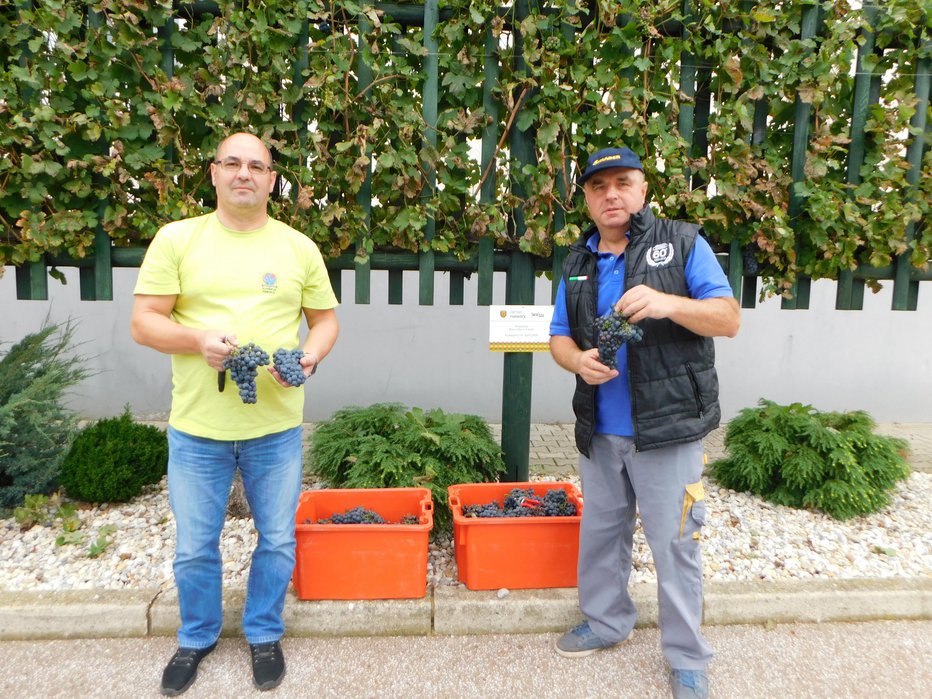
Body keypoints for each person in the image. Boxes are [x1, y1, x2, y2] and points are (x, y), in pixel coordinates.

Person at [130, 132, 339, 696]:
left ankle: (264, 632)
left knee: (276, 540)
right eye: (233, 163)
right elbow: (144, 321)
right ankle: (196, 637)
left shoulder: (298, 248)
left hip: (275, 429)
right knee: (196, 544)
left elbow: (324, 320)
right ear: (215, 173)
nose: (244, 173)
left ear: (272, 179)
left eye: (257, 166)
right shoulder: (177, 240)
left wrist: (311, 355)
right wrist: (197, 340)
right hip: (198, 429)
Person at [548, 146, 740, 699]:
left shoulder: (681, 242)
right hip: (599, 431)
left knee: (675, 542)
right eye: (598, 186)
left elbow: (728, 319)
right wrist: (576, 360)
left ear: (642, 190)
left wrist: (666, 302)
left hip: (668, 429)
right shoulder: (578, 262)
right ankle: (607, 622)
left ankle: (686, 658)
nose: (611, 194)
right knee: (602, 535)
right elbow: (559, 335)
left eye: (623, 183)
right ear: (586, 197)